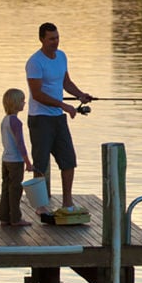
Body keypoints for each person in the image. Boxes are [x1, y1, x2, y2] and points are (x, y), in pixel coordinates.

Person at [25, 22, 94, 218]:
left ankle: (67, 203)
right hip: (40, 119)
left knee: (69, 160)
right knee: (40, 163)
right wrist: (64, 105)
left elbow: (65, 82)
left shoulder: (61, 56)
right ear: (42, 39)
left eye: (57, 38)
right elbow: (37, 94)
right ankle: (40, 205)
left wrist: (80, 95)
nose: (55, 42)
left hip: (58, 119)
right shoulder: (35, 62)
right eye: (51, 39)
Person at [0, 88, 33, 227]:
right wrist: (28, 162)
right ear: (15, 103)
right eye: (22, 100)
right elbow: (21, 144)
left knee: (6, 188)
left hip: (5, 159)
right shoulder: (16, 122)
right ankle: (16, 218)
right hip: (15, 161)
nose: (24, 103)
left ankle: (4, 217)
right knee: (15, 190)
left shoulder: (5, 120)